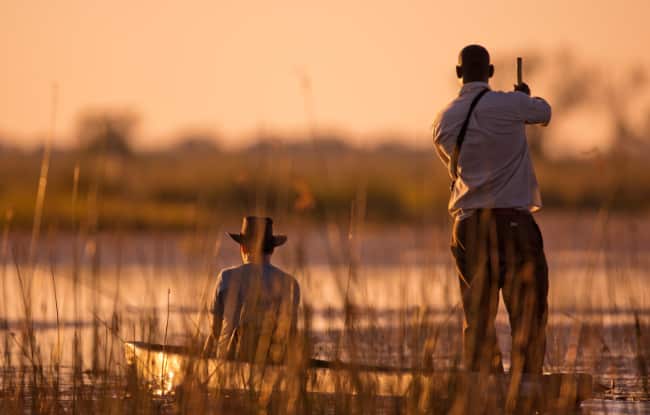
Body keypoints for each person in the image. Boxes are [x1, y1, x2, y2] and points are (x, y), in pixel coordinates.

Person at [432, 45, 551, 377]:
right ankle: (525, 386)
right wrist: (525, 98)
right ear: (491, 71)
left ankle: (485, 386)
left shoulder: (443, 120)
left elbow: (453, 169)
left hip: (468, 227)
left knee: (478, 316)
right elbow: (544, 112)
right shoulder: (510, 104)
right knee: (528, 312)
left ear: (458, 74)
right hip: (514, 224)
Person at [211, 216, 300, 364]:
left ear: (243, 248)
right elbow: (291, 334)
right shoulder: (291, 284)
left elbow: (216, 331)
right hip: (274, 362)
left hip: (230, 360)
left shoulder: (226, 277)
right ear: (272, 250)